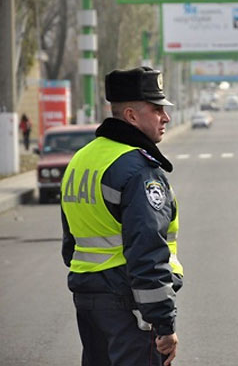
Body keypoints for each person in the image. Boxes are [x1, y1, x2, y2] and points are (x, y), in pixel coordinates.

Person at [61, 66, 183, 366]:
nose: (165, 118)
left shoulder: (82, 159)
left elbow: (70, 244)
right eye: (157, 110)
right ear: (131, 115)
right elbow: (147, 251)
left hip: (88, 300)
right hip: (129, 306)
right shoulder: (138, 170)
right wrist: (163, 324)